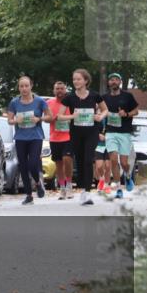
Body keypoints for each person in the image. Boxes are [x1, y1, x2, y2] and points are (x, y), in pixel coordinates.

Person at [56, 68, 107, 206]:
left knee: (88, 159)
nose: (76, 81)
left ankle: (87, 192)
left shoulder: (95, 95)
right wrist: (72, 116)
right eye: (74, 79)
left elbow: (105, 110)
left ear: (85, 80)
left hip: (92, 132)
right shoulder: (69, 98)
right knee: (80, 160)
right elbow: (59, 116)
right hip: (76, 133)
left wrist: (100, 117)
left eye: (78, 79)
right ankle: (83, 189)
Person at [6, 76, 51, 205]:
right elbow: (9, 120)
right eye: (21, 86)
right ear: (19, 88)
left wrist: (39, 119)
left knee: (32, 164)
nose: (24, 89)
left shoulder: (39, 101)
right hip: (20, 137)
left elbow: (50, 116)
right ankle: (28, 195)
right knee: (23, 166)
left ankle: (37, 182)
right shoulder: (14, 102)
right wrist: (15, 121)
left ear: (31, 86)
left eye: (26, 86)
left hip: (35, 136)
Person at [102, 73, 138, 198]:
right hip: (110, 132)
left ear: (120, 82)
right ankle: (118, 188)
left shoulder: (127, 96)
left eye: (116, 79)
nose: (114, 82)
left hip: (125, 133)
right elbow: (99, 110)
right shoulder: (104, 97)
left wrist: (126, 114)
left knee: (124, 163)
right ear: (109, 82)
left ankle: (127, 176)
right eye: (111, 79)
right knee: (113, 160)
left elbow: (136, 111)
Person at [47, 81, 74, 199]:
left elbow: (77, 116)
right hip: (54, 137)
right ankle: (62, 187)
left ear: (65, 90)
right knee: (58, 163)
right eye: (57, 89)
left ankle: (69, 185)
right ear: (54, 91)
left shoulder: (71, 103)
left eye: (62, 89)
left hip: (68, 136)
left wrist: (69, 119)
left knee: (67, 159)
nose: (59, 91)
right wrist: (51, 118)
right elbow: (45, 118)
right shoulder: (49, 103)